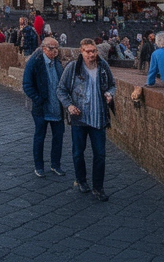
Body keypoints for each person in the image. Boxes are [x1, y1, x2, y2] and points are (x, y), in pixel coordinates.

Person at [57, 39, 115, 200]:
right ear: (81, 52)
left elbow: (112, 85)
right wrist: (69, 106)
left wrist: (110, 94)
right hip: (79, 118)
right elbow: (61, 90)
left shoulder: (103, 67)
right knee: (78, 152)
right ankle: (81, 180)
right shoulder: (73, 68)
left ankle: (98, 187)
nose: (91, 54)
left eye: (93, 51)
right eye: (88, 51)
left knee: (100, 154)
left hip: (99, 117)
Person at [21, 37, 65, 178]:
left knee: (58, 137)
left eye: (57, 48)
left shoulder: (57, 63)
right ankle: (39, 166)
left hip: (56, 107)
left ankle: (55, 165)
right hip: (41, 108)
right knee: (40, 137)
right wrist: (38, 99)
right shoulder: (35, 62)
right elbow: (27, 84)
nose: (55, 51)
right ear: (44, 48)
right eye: (52, 48)